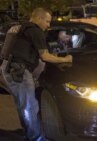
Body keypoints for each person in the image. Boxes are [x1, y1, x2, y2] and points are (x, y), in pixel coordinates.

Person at [0, 8, 72, 141]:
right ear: (38, 18)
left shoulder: (20, 28)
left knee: (22, 104)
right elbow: (45, 56)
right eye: (47, 21)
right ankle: (37, 137)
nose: (48, 25)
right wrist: (66, 59)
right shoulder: (35, 31)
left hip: (9, 69)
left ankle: (28, 132)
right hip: (19, 71)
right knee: (30, 106)